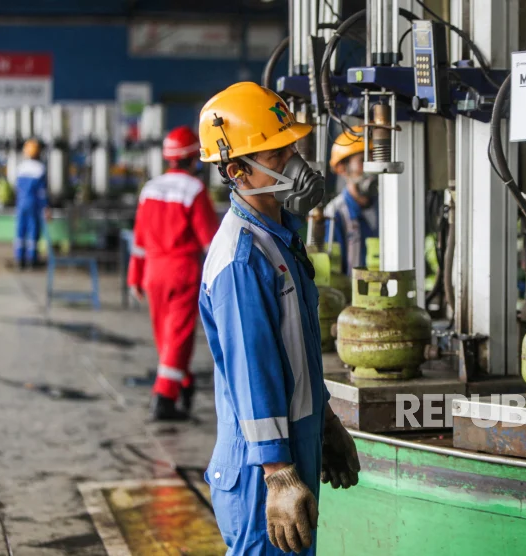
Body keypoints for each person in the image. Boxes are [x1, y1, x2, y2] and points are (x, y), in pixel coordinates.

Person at [197, 82, 360, 555]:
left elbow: (298, 353)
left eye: (290, 146)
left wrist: (326, 421)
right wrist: (277, 474)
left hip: (291, 448)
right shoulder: (241, 259)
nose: (294, 162)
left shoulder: (280, 239)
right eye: (274, 153)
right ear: (237, 171)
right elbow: (255, 370)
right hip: (260, 470)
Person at [127, 125, 220, 421]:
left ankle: (184, 382)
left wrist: (134, 276)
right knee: (178, 336)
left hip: (152, 271)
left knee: (164, 335)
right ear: (195, 158)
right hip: (182, 271)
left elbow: (139, 239)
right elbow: (210, 242)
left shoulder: (150, 188)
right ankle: (163, 399)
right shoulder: (195, 190)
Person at [324, 126, 379, 276]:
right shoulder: (335, 214)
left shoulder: (386, 208)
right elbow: (332, 273)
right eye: (363, 160)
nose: (371, 169)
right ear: (342, 169)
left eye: (374, 159)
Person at [13, 139, 48, 269]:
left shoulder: (20, 167)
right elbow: (41, 191)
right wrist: (45, 207)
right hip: (33, 203)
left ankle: (19, 259)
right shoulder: (40, 168)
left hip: (21, 202)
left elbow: (17, 187)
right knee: (33, 230)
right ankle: (32, 260)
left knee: (20, 230)